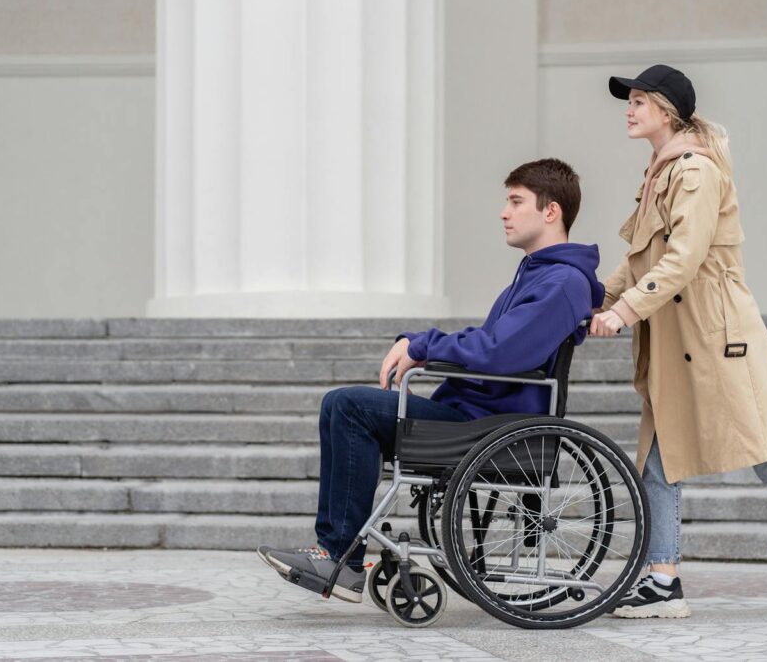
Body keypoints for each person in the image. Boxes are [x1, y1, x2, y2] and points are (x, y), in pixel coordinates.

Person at [258, 158, 605, 602]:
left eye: (516, 201)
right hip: (480, 417)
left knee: (349, 406)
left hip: (493, 426)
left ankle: (338, 553)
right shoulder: (541, 274)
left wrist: (423, 346)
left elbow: (501, 351)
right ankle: (337, 551)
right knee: (340, 405)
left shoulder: (562, 282)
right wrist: (425, 346)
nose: (504, 211)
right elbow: (495, 344)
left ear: (550, 211)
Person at [591, 65, 767, 618]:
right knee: (660, 461)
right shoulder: (661, 173)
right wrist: (593, 297)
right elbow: (641, 256)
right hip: (685, 341)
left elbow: (684, 258)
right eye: (631, 100)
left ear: (667, 111)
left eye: (639, 100)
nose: (630, 108)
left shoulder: (694, 171)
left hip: (719, 341)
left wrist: (622, 310)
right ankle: (663, 579)